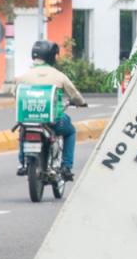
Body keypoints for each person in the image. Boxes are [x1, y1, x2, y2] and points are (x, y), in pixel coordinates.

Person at [16, 39, 88, 180]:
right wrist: (81, 102)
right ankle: (66, 166)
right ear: (50, 56)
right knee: (71, 131)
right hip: (53, 120)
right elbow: (74, 94)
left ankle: (23, 162)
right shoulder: (59, 76)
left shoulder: (23, 77)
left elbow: (16, 94)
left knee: (23, 131)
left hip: (29, 120)